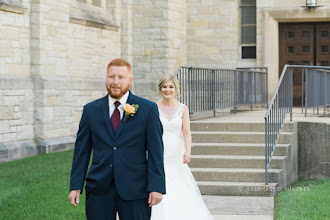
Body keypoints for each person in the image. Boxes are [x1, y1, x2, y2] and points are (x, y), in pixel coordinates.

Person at [68, 58, 166, 220]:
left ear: (130, 80)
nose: (115, 82)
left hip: (135, 188)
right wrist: (76, 186)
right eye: (111, 76)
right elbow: (82, 152)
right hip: (99, 189)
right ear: (106, 78)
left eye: (121, 77)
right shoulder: (90, 110)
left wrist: (156, 187)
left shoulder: (148, 109)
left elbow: (156, 151)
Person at [151, 75, 213, 220]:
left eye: (171, 87)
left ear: (177, 90)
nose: (168, 90)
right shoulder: (153, 108)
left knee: (179, 186)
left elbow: (186, 132)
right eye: (164, 87)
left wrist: (188, 151)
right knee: (162, 184)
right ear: (160, 89)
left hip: (176, 154)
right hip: (159, 152)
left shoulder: (182, 108)